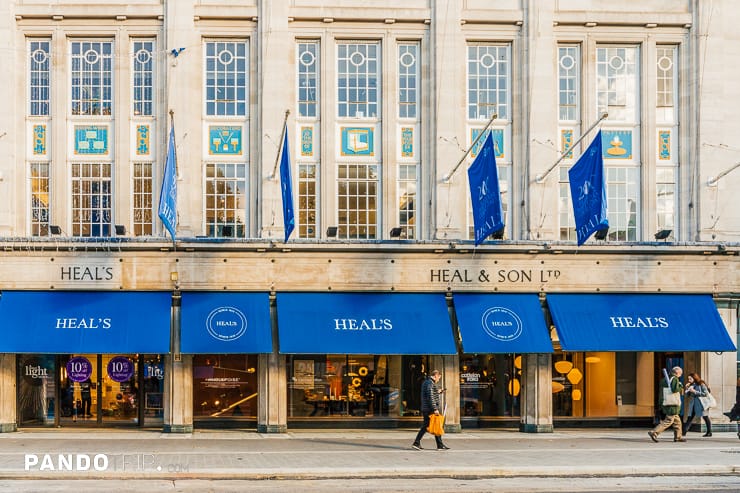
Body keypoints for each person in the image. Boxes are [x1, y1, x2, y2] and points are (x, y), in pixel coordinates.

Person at [411, 369, 449, 450]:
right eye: (439, 378)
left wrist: (438, 391)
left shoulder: (428, 382)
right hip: (429, 408)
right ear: (436, 376)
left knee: (431, 425)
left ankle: (439, 445)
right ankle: (417, 443)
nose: (439, 380)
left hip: (427, 408)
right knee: (434, 424)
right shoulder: (429, 383)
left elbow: (430, 393)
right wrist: (435, 408)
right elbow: (430, 396)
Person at [648, 366, 686, 443]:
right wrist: (681, 386)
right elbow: (675, 389)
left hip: (666, 402)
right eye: (680, 373)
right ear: (677, 373)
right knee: (668, 420)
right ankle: (654, 432)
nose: (681, 375)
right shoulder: (674, 379)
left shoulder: (664, 379)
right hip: (672, 404)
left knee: (677, 421)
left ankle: (678, 437)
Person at [682, 372, 712, 437]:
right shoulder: (691, 385)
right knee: (689, 418)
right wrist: (687, 388)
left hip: (701, 404)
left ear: (694, 378)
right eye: (688, 379)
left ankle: (709, 432)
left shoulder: (701, 384)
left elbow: (705, 394)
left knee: (705, 417)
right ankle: (683, 432)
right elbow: (687, 396)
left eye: (690, 379)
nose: (689, 380)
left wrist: (695, 391)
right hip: (693, 404)